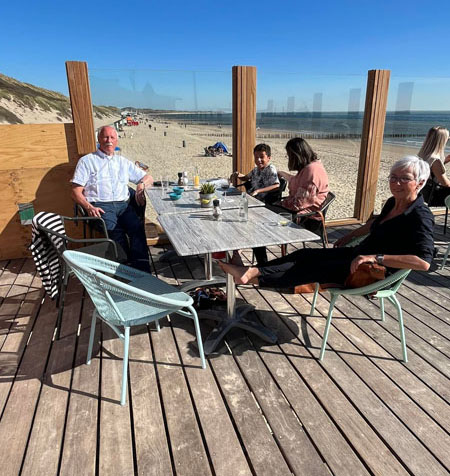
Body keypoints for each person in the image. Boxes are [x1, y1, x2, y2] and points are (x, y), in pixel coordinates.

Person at [218, 156, 434, 288]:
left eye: (404, 178)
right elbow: (374, 224)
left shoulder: (420, 216)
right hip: (357, 255)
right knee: (305, 254)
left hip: (373, 271)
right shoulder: (393, 202)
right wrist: (348, 236)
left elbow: (423, 262)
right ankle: (252, 271)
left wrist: (375, 256)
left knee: (312, 268)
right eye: (393, 177)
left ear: (421, 182)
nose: (396, 183)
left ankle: (251, 274)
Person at [71, 125, 154, 272]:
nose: (109, 140)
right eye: (105, 137)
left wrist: (141, 185)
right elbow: (75, 192)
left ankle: (142, 269)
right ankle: (125, 270)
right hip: (101, 206)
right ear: (99, 139)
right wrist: (89, 207)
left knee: (137, 229)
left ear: (116, 141)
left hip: (124, 206)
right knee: (116, 232)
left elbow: (148, 177)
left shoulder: (122, 162)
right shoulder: (87, 161)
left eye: (112, 137)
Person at [273, 137, 329, 234]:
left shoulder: (312, 171)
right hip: (303, 211)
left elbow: (299, 204)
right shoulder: (310, 167)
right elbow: (296, 181)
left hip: (307, 218)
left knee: (265, 215)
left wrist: (279, 203)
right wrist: (282, 173)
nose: (289, 158)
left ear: (296, 155)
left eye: (289, 155)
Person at [418, 126, 450, 205]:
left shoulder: (422, 155)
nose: (448, 140)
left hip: (423, 192)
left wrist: (445, 161)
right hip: (434, 196)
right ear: (442, 141)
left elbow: (430, 171)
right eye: (447, 139)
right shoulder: (435, 160)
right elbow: (446, 184)